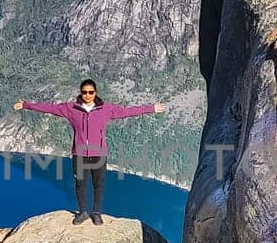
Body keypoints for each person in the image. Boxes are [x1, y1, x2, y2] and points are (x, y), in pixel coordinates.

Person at [13, 79, 166, 224]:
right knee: (80, 184)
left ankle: (97, 213)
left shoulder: (106, 109)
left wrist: (151, 108)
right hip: (79, 154)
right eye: (85, 92)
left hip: (99, 154)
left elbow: (127, 112)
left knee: (98, 184)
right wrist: (26, 105)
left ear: (95, 92)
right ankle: (82, 213)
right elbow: (49, 108)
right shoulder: (70, 108)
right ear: (81, 92)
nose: (87, 95)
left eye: (90, 92)